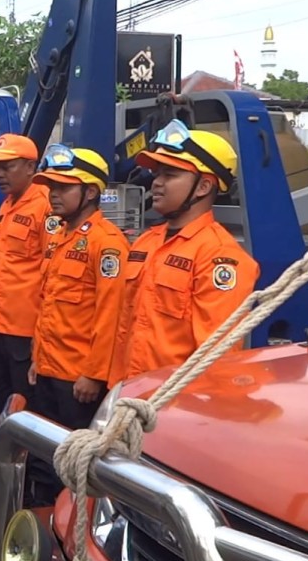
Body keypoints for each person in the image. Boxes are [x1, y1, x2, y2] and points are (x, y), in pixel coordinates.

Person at [109, 120, 260, 386]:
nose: (156, 183)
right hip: (128, 395)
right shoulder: (146, 242)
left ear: (203, 187)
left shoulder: (219, 255)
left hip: (173, 406)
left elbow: (215, 355)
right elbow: (124, 329)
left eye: (170, 174)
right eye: (157, 174)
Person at [24, 146, 129, 505]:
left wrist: (94, 374)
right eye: (50, 186)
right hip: (50, 369)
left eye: (64, 186)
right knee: (45, 459)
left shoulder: (107, 242)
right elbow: (48, 305)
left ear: (90, 192)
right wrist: (38, 358)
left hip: (77, 380)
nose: (53, 193)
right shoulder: (58, 238)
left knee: (75, 465)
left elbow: (110, 313)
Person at [0, 134, 55, 439]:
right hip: (0, 328)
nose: (0, 175)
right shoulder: (7, 206)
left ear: (31, 166)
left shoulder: (45, 207)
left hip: (25, 332)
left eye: (8, 167)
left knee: (26, 411)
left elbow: (52, 275)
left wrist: (42, 335)